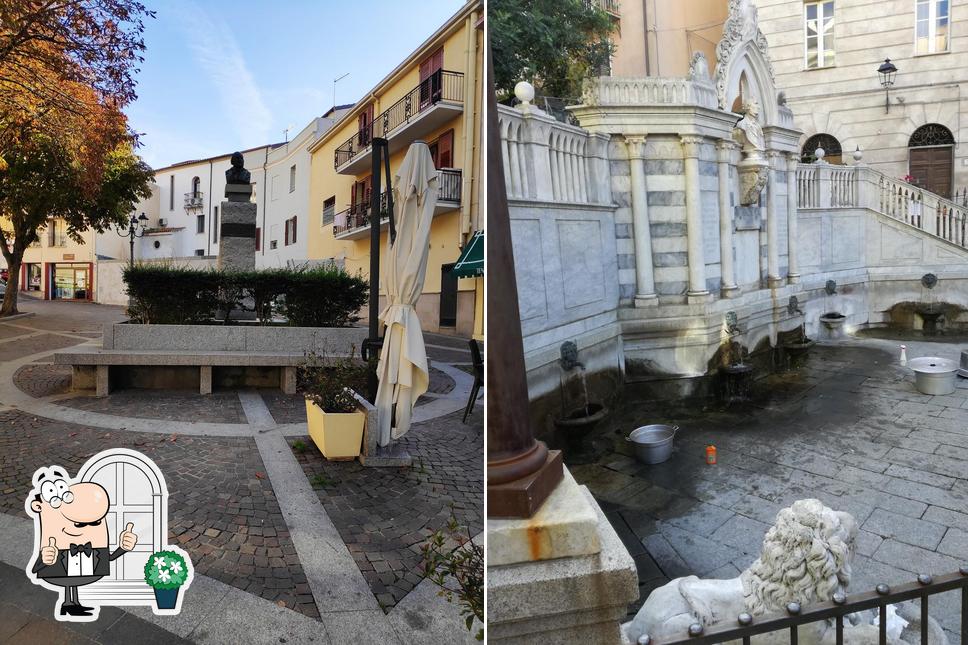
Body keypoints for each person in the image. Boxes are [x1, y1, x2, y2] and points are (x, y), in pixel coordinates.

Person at [26, 466, 138, 619]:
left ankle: (72, 604)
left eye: (95, 522)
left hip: (81, 570)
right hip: (61, 568)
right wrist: (45, 559)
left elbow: (108, 558)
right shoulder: (53, 544)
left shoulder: (94, 547)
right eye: (79, 524)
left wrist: (124, 547)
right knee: (68, 581)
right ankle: (68, 604)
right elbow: (35, 569)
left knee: (72, 582)